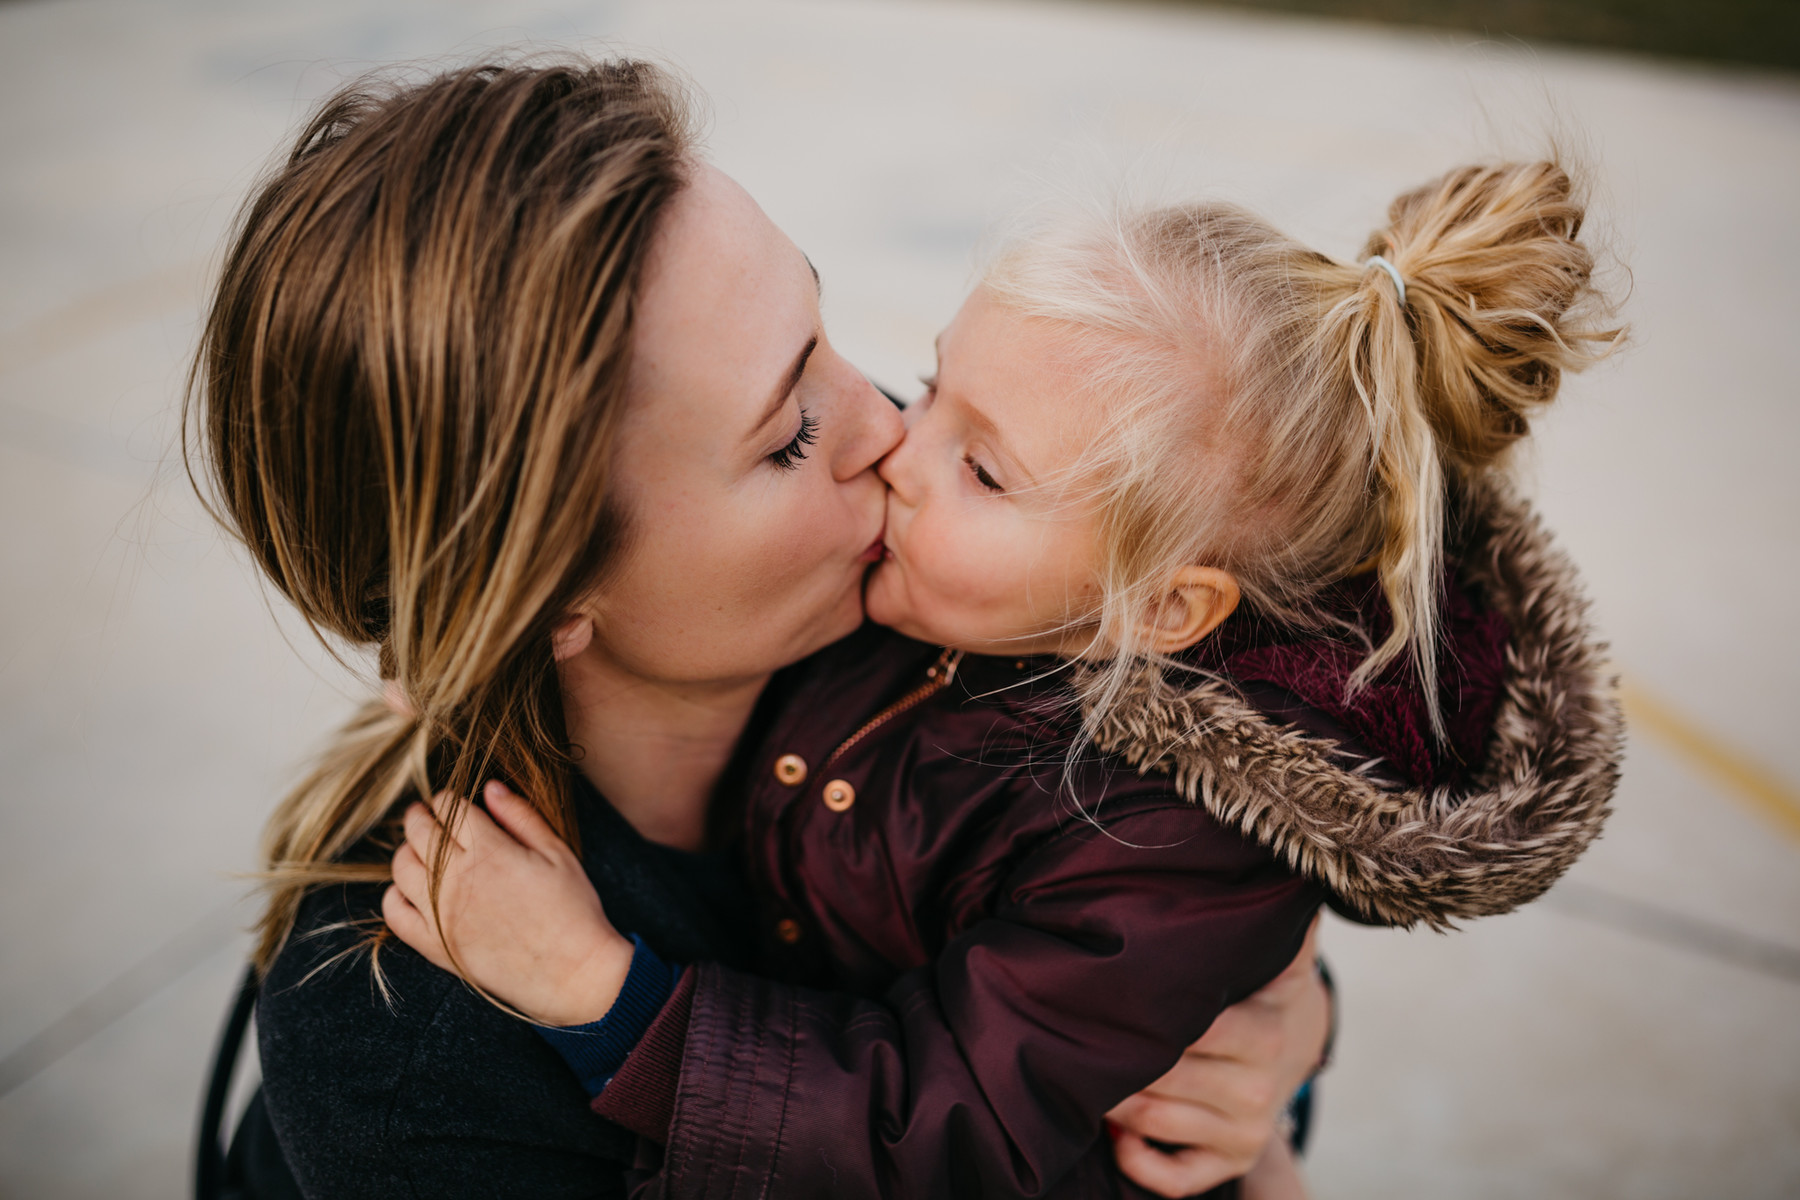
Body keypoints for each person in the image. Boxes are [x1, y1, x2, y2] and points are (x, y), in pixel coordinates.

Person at [186, 55, 1330, 1200]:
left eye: (823, 328)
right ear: (542, 603)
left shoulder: (914, 559)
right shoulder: (411, 1065)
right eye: (788, 432)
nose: (886, 421)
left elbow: (1195, 812)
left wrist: (1277, 1024)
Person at [385, 156, 1625, 1197]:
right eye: (932, 384)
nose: (891, 444)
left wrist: (608, 999)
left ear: (1159, 608)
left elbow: (954, 1115)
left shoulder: (1161, 826)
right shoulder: (1008, 598)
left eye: (983, 469)